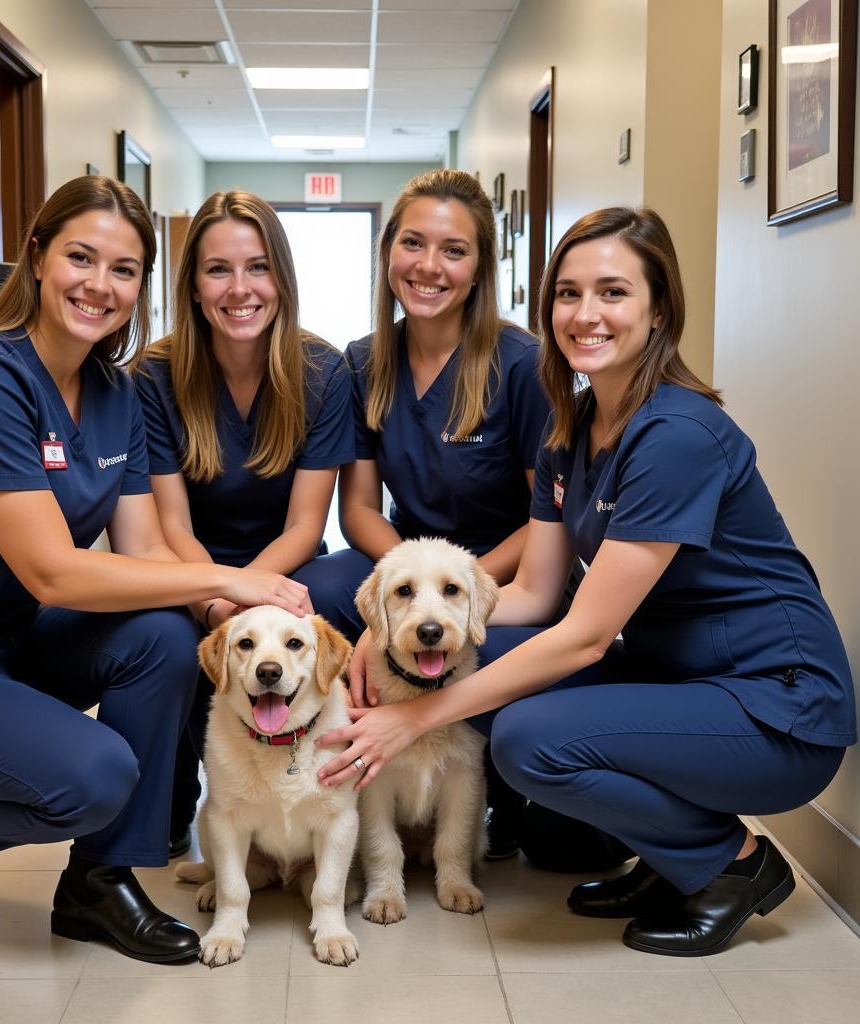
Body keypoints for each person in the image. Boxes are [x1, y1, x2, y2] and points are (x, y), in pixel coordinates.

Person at [315, 206, 855, 957]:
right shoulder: (572, 429)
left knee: (528, 737)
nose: (585, 314)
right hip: (682, 681)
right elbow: (535, 595)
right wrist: (398, 636)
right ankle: (675, 860)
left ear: (659, 308)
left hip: (777, 703)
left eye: (613, 293)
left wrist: (416, 716)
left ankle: (729, 865)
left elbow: (587, 635)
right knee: (486, 667)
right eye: (568, 294)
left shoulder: (677, 437)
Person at [0, 176, 309, 966]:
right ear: (37, 257)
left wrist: (226, 616)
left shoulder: (115, 393)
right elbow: (55, 573)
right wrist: (230, 580)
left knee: (163, 633)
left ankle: (96, 883)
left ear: (142, 287)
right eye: (80, 257)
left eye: (123, 269)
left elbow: (147, 550)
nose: (100, 284)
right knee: (95, 776)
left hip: (8, 645)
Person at [323, 168, 623, 866]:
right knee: (328, 587)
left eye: (453, 250)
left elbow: (547, 518)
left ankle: (492, 784)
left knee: (562, 850)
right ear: (387, 252)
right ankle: (353, 784)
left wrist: (449, 595)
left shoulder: (522, 364)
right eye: (412, 244)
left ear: (481, 265)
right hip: (406, 561)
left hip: (513, 576)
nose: (429, 267)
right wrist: (402, 593)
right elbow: (360, 509)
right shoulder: (366, 361)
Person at [130, 191, 354, 855]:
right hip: (184, 563)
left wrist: (247, 601)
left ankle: (326, 796)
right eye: (218, 270)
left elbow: (307, 526)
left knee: (329, 598)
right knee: (164, 637)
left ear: (281, 280)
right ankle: (165, 811)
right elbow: (169, 524)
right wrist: (217, 604)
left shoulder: (323, 371)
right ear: (193, 287)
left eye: (257, 268)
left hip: (283, 559)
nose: (240, 289)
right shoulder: (155, 376)